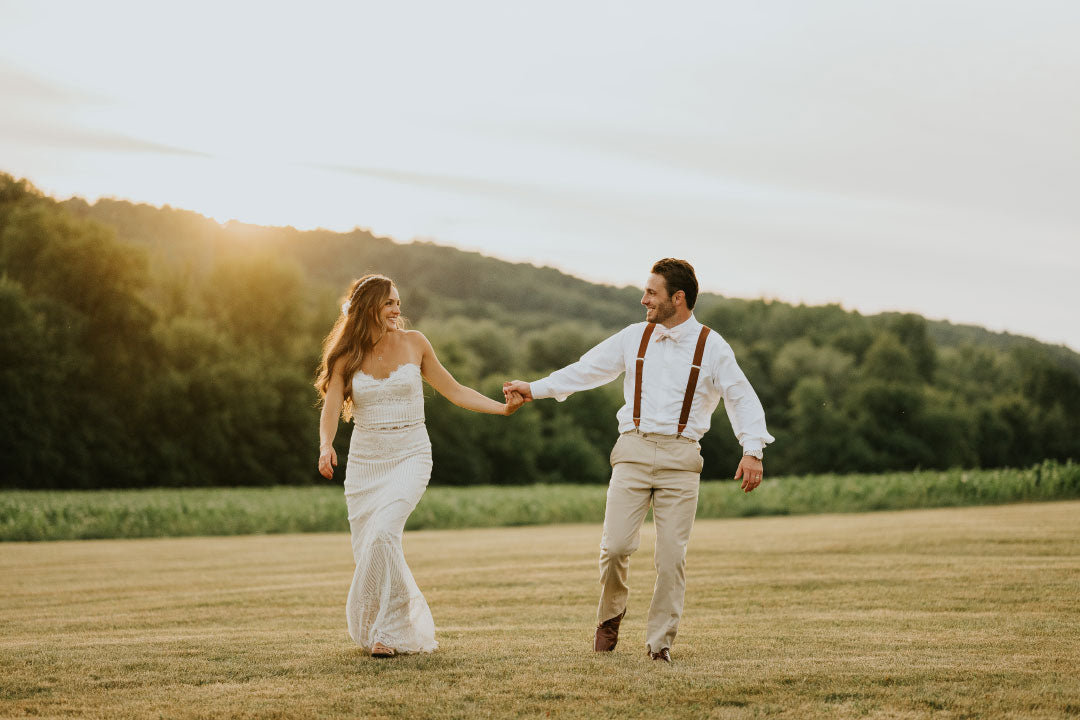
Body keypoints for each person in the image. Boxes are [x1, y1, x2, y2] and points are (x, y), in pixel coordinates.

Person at [504, 258, 773, 663]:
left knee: (671, 558)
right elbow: (586, 370)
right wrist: (534, 388)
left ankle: (659, 643)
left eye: (652, 292)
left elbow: (740, 396)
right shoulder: (633, 337)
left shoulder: (711, 346)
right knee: (614, 548)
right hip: (631, 451)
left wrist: (752, 450)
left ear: (677, 298)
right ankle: (610, 619)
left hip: (682, 457)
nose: (643, 298)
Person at [315, 274, 524, 658]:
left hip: (410, 453)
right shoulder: (348, 353)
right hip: (365, 462)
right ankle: (384, 627)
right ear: (369, 309)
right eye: (389, 303)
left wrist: (502, 408)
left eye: (398, 302)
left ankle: (390, 633)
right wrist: (326, 445)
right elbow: (331, 405)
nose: (398, 309)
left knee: (383, 533)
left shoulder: (416, 343)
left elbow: (455, 390)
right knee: (371, 547)